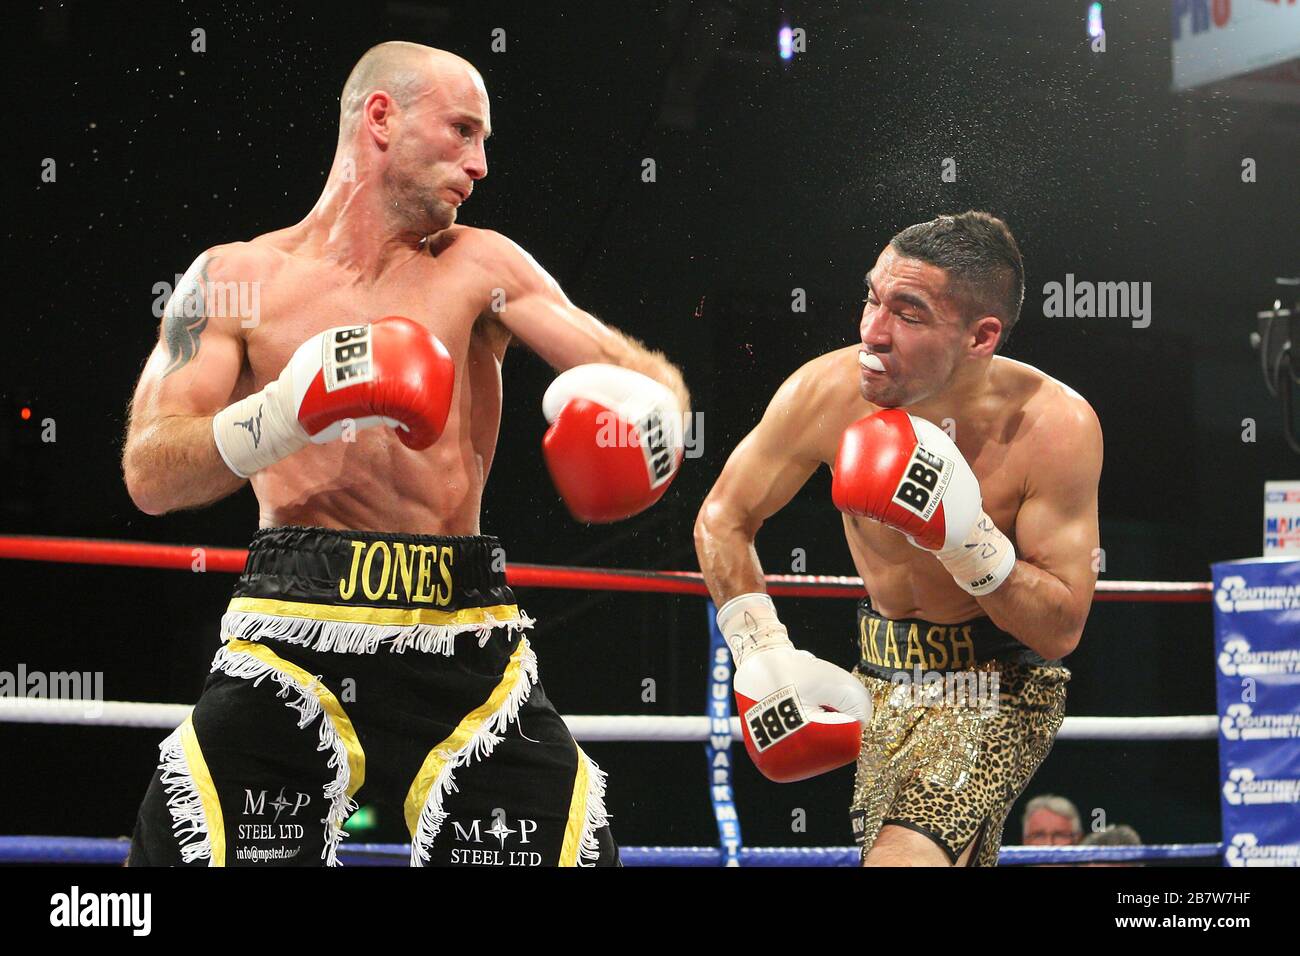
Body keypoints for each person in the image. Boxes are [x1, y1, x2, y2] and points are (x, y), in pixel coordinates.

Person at [122, 41, 689, 867]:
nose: (480, 163)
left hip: (457, 622)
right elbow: (149, 473)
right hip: (290, 620)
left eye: (484, 141)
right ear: (381, 119)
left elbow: (646, 381)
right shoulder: (235, 277)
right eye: (463, 131)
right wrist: (285, 411)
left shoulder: (481, 267)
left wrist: (643, 428)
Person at [695, 211, 1101, 866]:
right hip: (878, 676)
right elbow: (723, 517)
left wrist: (965, 535)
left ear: (980, 336)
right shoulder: (825, 391)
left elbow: (1060, 629)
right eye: (871, 298)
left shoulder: (1052, 426)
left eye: (908, 313)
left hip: (995, 683)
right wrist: (762, 653)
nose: (872, 332)